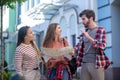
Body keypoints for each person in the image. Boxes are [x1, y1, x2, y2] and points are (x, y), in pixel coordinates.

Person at [74, 9, 110, 80]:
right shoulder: (85, 33)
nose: (82, 22)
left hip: (96, 64)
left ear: (91, 18)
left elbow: (102, 46)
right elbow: (77, 47)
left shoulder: (100, 30)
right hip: (84, 64)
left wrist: (88, 37)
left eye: (84, 19)